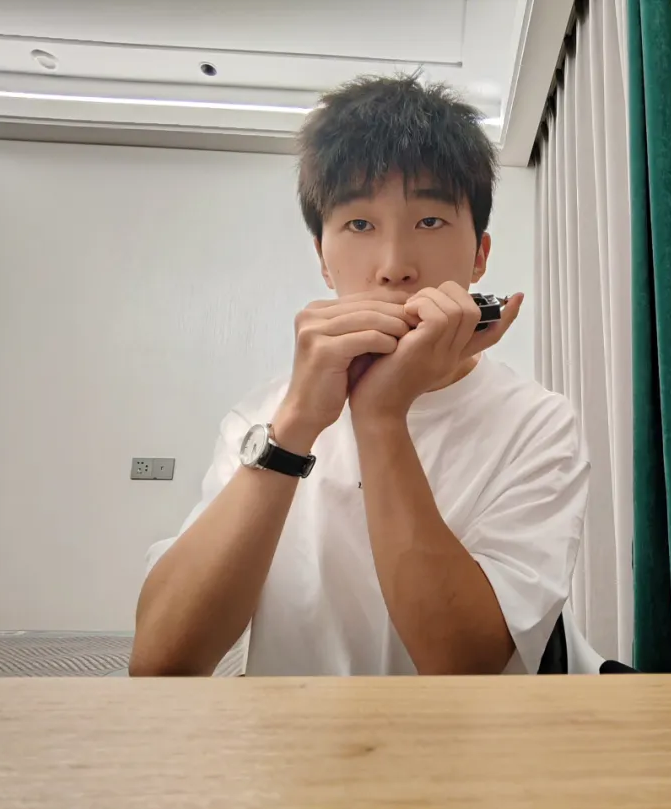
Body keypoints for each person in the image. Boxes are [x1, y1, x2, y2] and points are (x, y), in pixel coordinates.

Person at [130, 74, 590, 677]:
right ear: (323, 259)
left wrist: (381, 414)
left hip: (462, 738)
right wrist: (296, 425)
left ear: (479, 256)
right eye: (359, 225)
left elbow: (467, 667)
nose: (395, 267)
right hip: (294, 736)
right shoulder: (262, 418)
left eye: (430, 221)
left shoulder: (538, 423)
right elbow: (162, 662)